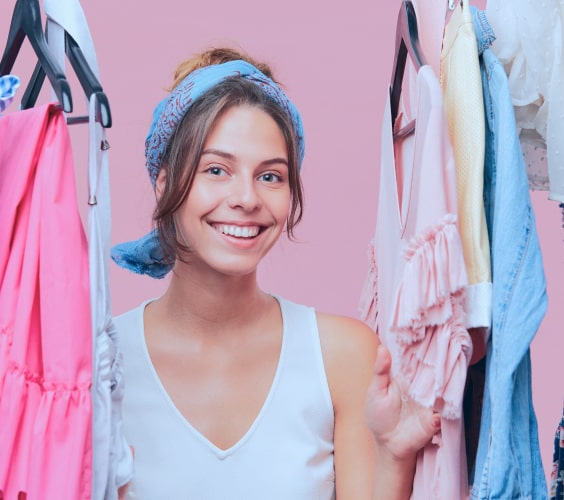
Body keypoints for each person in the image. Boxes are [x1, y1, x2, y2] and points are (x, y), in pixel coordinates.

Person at [111, 47, 440, 500]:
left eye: (270, 177)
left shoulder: (344, 357)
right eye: (216, 170)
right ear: (165, 183)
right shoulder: (100, 365)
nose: (247, 198)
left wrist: (394, 459)